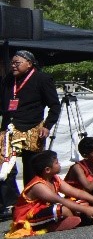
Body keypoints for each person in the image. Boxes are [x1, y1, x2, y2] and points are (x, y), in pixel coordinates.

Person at [5, 150, 93, 239]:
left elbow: (77, 192)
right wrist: (85, 210)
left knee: (81, 202)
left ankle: (67, 221)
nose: (59, 164)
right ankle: (54, 226)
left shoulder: (54, 179)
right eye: (56, 162)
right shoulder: (38, 185)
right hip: (28, 218)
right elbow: (60, 200)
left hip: (46, 210)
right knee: (62, 209)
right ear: (47, 170)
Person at [1, 50, 60, 188]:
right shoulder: (9, 80)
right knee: (5, 164)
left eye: (17, 63)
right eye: (12, 63)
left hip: (32, 127)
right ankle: (10, 201)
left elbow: (55, 105)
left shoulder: (42, 79)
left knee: (31, 166)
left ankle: (31, 198)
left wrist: (47, 125)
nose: (13, 66)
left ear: (29, 63)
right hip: (9, 126)